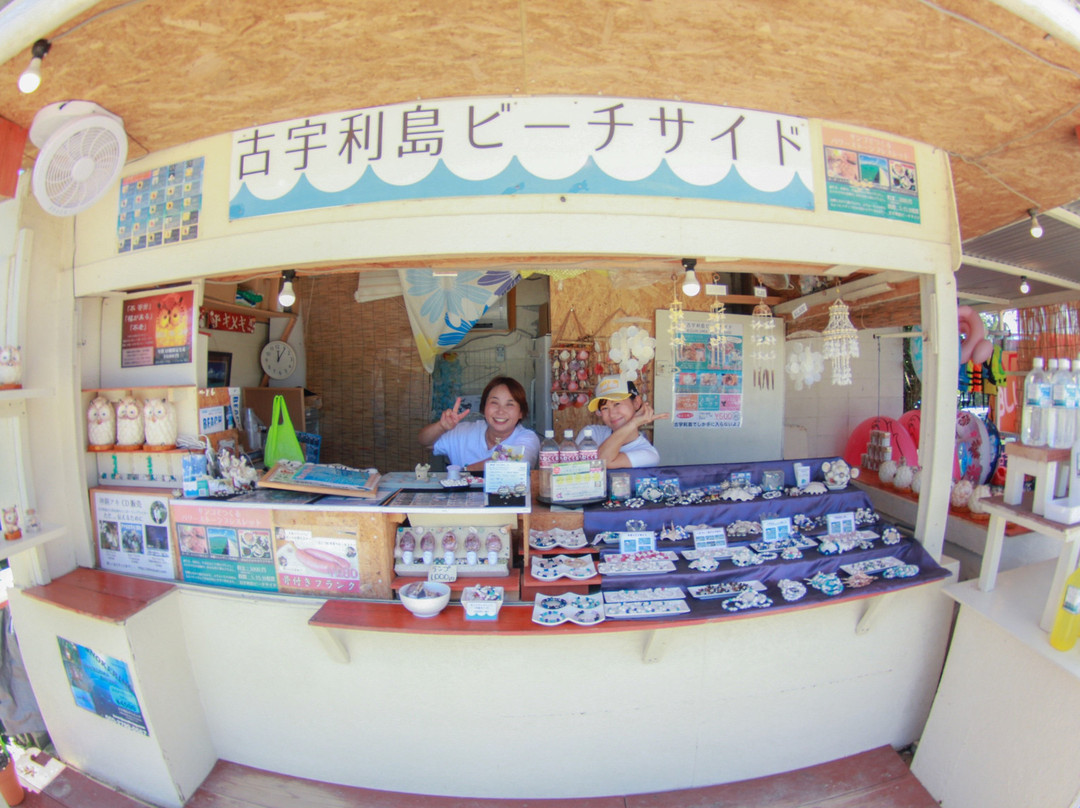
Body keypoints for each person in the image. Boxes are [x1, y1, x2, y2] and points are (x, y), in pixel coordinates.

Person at [419, 376, 540, 471]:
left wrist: (463, 472)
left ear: (521, 413)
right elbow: (425, 442)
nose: (500, 411)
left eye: (510, 404)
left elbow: (515, 462)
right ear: (483, 407)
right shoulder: (463, 431)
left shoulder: (527, 438)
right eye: (494, 402)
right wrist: (441, 427)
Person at [578, 375, 668, 468]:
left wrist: (632, 424)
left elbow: (602, 462)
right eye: (604, 408)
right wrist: (633, 423)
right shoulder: (591, 434)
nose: (612, 414)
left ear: (636, 403)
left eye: (617, 404)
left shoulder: (649, 455)